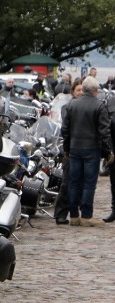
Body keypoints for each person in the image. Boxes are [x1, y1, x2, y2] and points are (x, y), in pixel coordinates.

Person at [61, 76, 112, 226]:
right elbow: (104, 131)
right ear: (96, 90)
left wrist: (66, 148)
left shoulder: (71, 105)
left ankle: (74, 215)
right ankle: (87, 215)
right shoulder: (99, 106)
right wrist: (109, 150)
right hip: (91, 149)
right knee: (89, 183)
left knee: (74, 182)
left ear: (83, 89)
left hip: (74, 148)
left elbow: (65, 130)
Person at [54, 80, 84, 224]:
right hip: (70, 148)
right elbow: (65, 129)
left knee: (82, 182)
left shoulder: (88, 107)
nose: (81, 93)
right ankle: (60, 213)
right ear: (73, 91)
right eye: (78, 90)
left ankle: (76, 211)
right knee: (67, 182)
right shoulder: (67, 107)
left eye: (82, 90)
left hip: (84, 148)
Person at [101, 90, 115, 222]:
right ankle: (114, 210)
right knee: (114, 182)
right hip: (113, 149)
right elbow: (106, 127)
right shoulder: (110, 102)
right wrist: (108, 150)